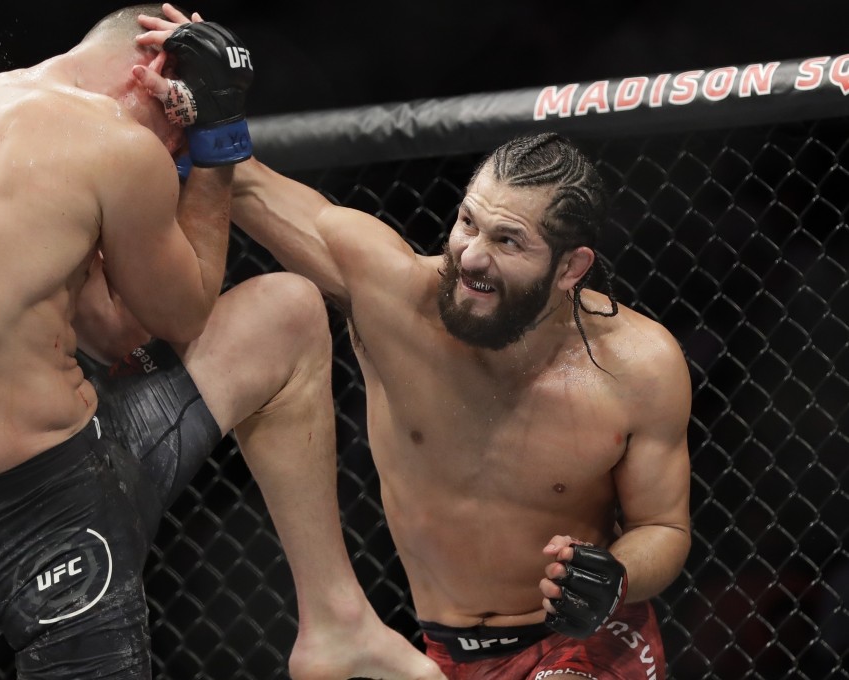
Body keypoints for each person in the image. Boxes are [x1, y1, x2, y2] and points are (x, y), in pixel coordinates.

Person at [0, 4, 446, 679]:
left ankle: (338, 624)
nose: (175, 155)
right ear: (156, 73)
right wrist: (218, 140)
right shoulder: (113, 144)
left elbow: (115, 332)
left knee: (286, 312)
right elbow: (186, 314)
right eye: (180, 136)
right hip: (58, 523)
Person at [133, 14, 694, 674]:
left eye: (508, 241)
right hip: (442, 648)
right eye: (467, 222)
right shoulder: (393, 297)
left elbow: (665, 529)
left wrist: (614, 577)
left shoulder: (639, 365)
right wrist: (207, 96)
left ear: (570, 269)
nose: (473, 255)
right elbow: (245, 179)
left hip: (583, 641)